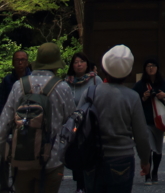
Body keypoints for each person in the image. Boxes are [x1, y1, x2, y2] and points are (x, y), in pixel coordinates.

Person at [0, 42, 75, 193]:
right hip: (52, 160)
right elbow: (71, 121)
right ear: (55, 64)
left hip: (21, 160)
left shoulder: (19, 85)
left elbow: (4, 123)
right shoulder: (62, 87)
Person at [83, 44, 150, 193]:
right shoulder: (132, 97)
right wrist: (145, 160)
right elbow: (141, 135)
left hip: (92, 156)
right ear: (128, 72)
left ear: (104, 67)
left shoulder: (90, 93)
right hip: (122, 157)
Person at [65, 53, 103, 193]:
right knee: (76, 153)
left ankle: (91, 184)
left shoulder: (95, 80)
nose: (79, 64)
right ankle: (80, 185)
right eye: (76, 62)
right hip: (73, 124)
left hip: (90, 124)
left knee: (90, 153)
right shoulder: (66, 82)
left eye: (82, 61)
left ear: (87, 64)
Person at [133, 57, 165, 184]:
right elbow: (133, 102)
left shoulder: (163, 83)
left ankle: (155, 171)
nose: (151, 68)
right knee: (149, 148)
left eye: (153, 65)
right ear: (145, 68)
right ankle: (148, 176)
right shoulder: (140, 85)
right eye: (148, 66)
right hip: (145, 120)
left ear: (157, 68)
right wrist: (143, 98)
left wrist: (164, 95)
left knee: (158, 148)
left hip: (160, 120)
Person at [0, 50, 32, 191]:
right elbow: (2, 102)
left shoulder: (32, 79)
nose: (20, 63)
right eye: (17, 60)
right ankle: (5, 185)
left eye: (23, 60)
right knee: (4, 155)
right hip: (9, 121)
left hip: (28, 122)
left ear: (27, 61)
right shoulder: (7, 80)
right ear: (13, 62)